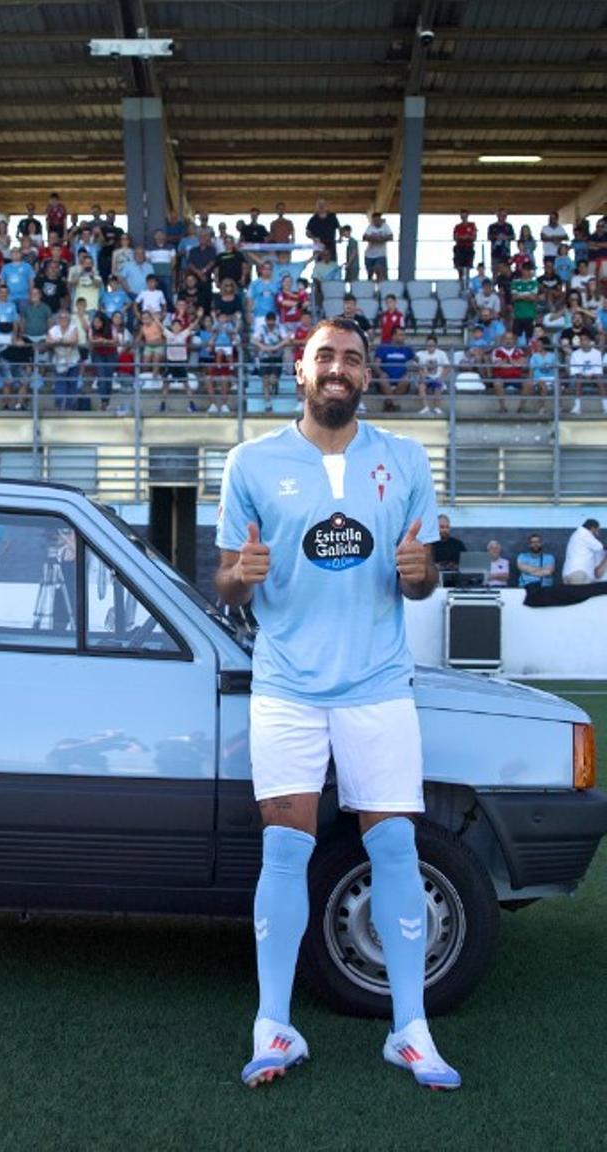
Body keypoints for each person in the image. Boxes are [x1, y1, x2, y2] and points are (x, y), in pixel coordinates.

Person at [215, 316, 459, 1092]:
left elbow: (419, 579)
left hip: (378, 682)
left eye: (352, 359)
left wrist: (422, 572)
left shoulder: (405, 458)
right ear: (300, 369)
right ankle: (274, 1026)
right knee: (284, 848)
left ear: (364, 377)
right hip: (286, 684)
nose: (339, 369)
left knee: (394, 847)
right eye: (326, 356)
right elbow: (224, 579)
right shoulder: (250, 463)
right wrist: (240, 575)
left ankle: (410, 1030)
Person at [561, 520, 607, 585]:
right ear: (592, 528)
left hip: (571, 574)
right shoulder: (585, 535)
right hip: (578, 574)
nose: (597, 533)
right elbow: (600, 547)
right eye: (597, 530)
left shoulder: (577, 534)